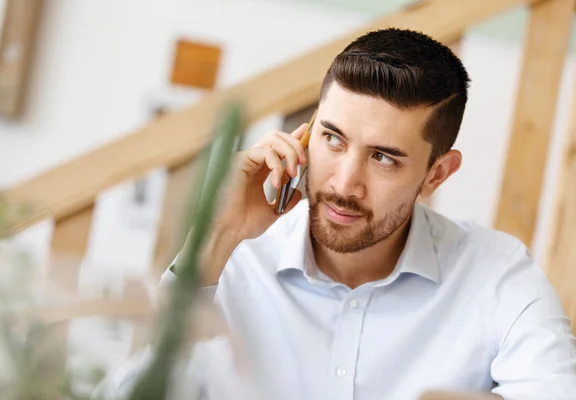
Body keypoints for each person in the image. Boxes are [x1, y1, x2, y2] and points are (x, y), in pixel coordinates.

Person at [97, 28, 576, 400]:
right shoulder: (233, 260)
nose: (345, 184)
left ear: (437, 174)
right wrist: (215, 240)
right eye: (333, 139)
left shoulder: (496, 273)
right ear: (306, 135)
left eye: (384, 157)